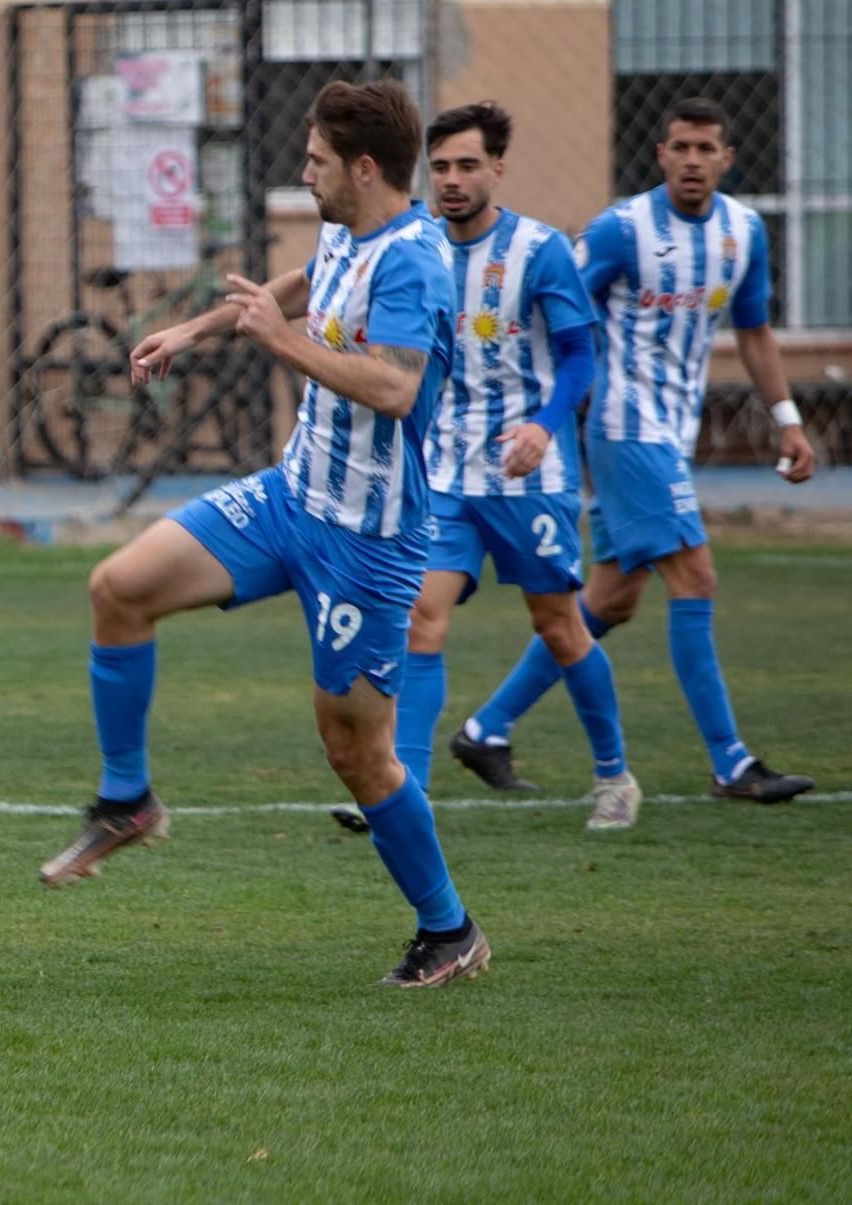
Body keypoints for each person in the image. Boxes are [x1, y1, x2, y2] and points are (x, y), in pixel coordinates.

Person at [40, 81, 490, 989]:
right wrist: (198, 327)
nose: (303, 172)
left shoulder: (414, 262)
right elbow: (298, 284)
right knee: (118, 588)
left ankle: (449, 929)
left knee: (358, 751)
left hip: (368, 541)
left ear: (364, 169)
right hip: (291, 498)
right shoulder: (347, 229)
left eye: (317, 160)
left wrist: (280, 342)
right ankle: (127, 801)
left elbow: (398, 388)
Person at [450, 98, 818, 803]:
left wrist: (788, 419)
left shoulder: (744, 233)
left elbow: (755, 331)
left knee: (611, 598)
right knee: (697, 577)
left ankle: (486, 728)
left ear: (726, 159)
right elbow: (549, 301)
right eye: (679, 146)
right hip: (624, 426)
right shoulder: (621, 231)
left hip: (671, 433)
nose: (691, 160)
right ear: (659, 154)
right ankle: (730, 762)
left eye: (705, 148)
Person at [356, 101, 637, 832]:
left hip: (527, 476)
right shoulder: (414, 245)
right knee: (420, 616)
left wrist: (546, 428)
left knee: (559, 626)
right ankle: (403, 786)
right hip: (447, 473)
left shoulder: (540, 251)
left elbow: (580, 355)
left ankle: (614, 775)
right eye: (440, 166)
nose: (451, 180)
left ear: (497, 171)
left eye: (466, 165)